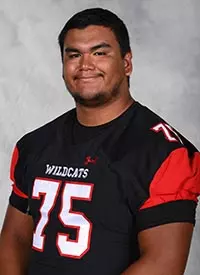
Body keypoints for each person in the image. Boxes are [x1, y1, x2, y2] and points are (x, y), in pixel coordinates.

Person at [0, 7, 200, 275]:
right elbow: (15, 240)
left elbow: (162, 263)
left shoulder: (165, 153)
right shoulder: (34, 145)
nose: (85, 65)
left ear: (126, 63)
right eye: (74, 55)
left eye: (99, 53)